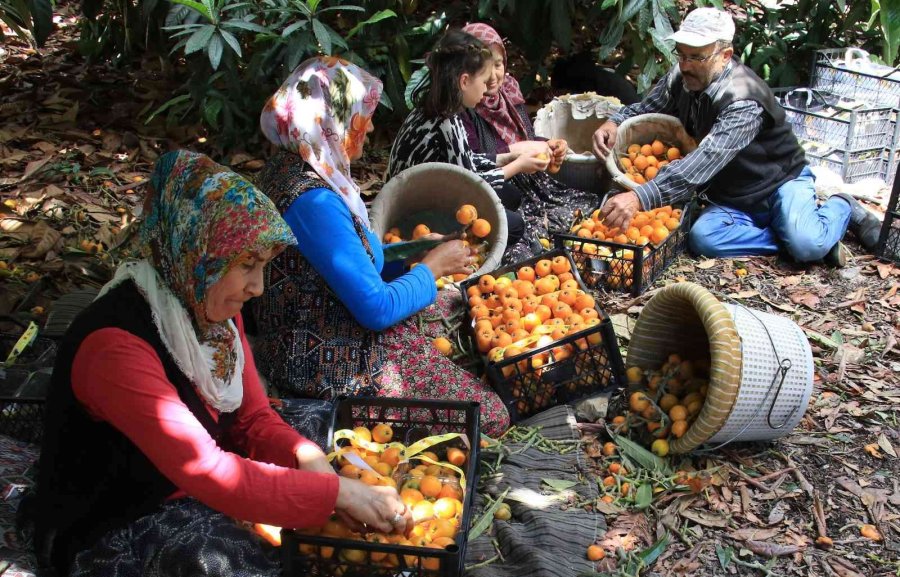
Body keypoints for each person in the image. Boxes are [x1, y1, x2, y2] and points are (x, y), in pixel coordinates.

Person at [29, 151, 413, 577]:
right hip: (121, 513)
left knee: (320, 425)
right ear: (198, 253)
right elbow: (207, 470)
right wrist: (335, 494)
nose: (258, 287)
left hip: (190, 474)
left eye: (263, 266)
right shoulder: (114, 348)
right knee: (230, 562)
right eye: (247, 265)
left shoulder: (208, 306)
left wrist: (305, 458)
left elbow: (252, 419)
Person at [254, 56, 510, 436]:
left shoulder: (298, 167)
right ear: (333, 121)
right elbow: (376, 309)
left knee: (460, 304)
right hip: (324, 352)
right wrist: (433, 268)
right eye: (363, 116)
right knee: (490, 417)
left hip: (334, 316)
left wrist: (410, 254)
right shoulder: (313, 201)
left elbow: (353, 260)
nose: (371, 126)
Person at [591, 7, 881, 267]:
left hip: (780, 185)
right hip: (733, 196)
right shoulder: (682, 76)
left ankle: (843, 206)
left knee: (806, 244)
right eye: (681, 54)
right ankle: (796, 240)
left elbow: (705, 159)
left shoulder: (743, 101)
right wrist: (615, 121)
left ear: (725, 56)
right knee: (703, 240)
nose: (685, 65)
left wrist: (640, 196)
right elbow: (649, 109)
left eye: (696, 57)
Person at [387, 28, 553, 261]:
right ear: (465, 81)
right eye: (483, 81)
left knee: (511, 195)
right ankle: (459, 249)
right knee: (514, 226)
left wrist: (506, 158)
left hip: (427, 193)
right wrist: (518, 166)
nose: (486, 89)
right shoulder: (447, 122)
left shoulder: (436, 108)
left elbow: (464, 160)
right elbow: (472, 184)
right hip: (415, 214)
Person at [459, 22, 602, 263]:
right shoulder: (465, 109)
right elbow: (473, 164)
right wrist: (516, 154)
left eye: (498, 64)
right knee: (525, 238)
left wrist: (550, 145)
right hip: (499, 186)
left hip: (531, 180)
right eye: (484, 68)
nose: (493, 76)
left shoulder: (508, 90)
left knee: (589, 202)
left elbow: (526, 136)